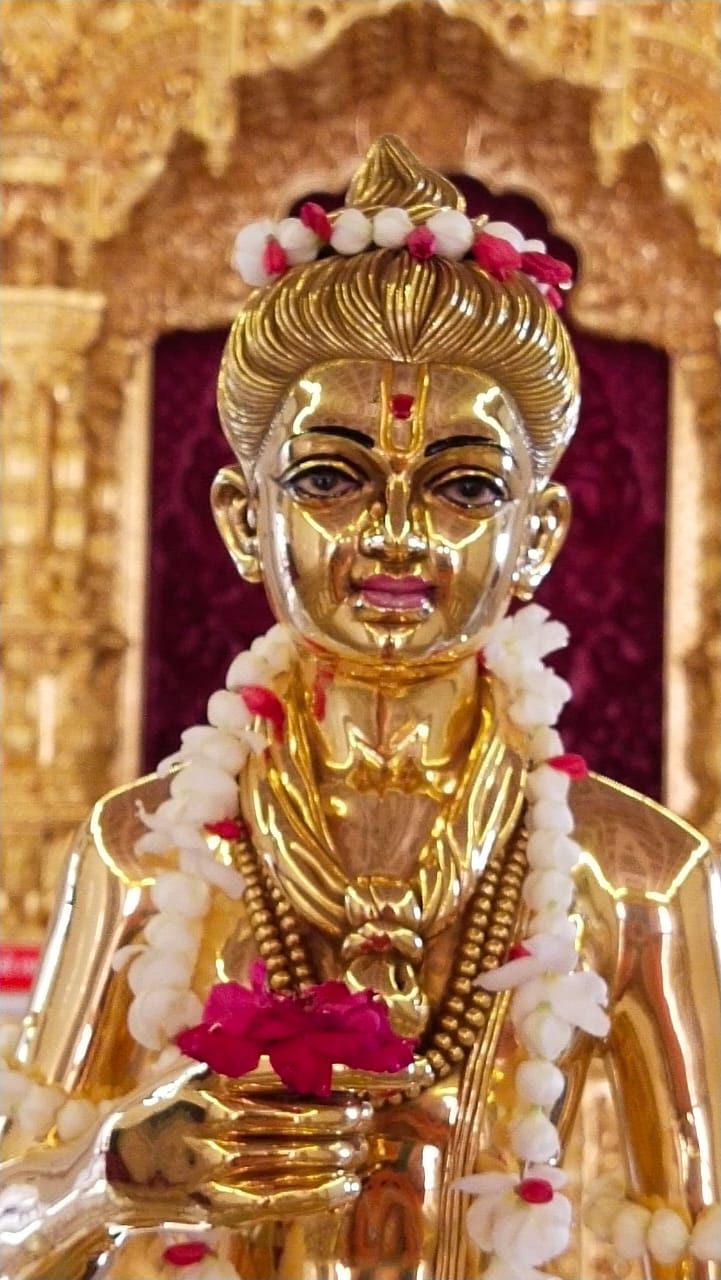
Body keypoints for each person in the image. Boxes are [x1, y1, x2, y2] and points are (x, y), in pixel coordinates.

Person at [1, 137, 718, 1280]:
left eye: (463, 484)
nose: (393, 531)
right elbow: (11, 1228)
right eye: (330, 478)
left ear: (536, 536)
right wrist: (110, 1177)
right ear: (245, 521)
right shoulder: (143, 854)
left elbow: (696, 1238)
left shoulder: (636, 877)